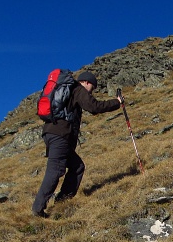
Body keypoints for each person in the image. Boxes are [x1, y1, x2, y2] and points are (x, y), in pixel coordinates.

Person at [32, 71, 122, 218]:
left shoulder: (68, 90)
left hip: (53, 133)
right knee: (55, 169)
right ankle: (38, 208)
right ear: (86, 82)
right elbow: (94, 107)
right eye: (92, 88)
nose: (91, 91)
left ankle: (62, 201)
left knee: (77, 166)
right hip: (60, 135)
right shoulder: (78, 89)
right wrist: (117, 102)